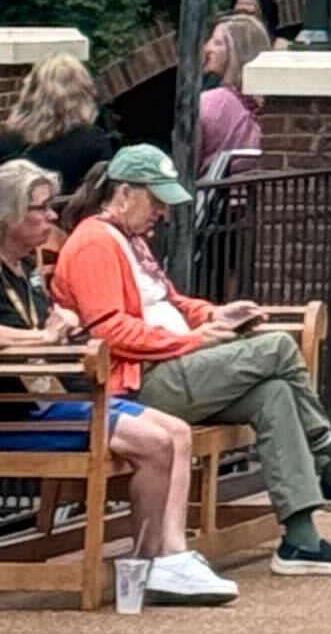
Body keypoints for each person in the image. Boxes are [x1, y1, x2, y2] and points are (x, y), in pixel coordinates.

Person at [52, 145, 331, 575]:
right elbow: (110, 331)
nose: (162, 212)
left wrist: (215, 315)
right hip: (139, 382)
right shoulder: (94, 242)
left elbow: (170, 302)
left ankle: (300, 540)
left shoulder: (128, 240)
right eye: (156, 200)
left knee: (273, 393)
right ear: (125, 193)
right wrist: (192, 341)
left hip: (173, 365)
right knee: (277, 347)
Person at [0, 160, 233, 603]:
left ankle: (163, 559)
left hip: (53, 395)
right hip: (19, 409)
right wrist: (40, 336)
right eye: (40, 209)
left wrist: (60, 320)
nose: (52, 217)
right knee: (153, 442)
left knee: (176, 431)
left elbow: (47, 321)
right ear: (8, 214)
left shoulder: (25, 264)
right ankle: (151, 564)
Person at [1, 51, 114, 197]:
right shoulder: (93, 141)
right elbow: (104, 195)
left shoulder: (8, 138)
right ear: (82, 92)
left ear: (31, 90)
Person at [194, 26, 262, 174]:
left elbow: (187, 161)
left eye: (217, 43)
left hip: (211, 193)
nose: (207, 48)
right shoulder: (272, 106)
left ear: (236, 52)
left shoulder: (209, 102)